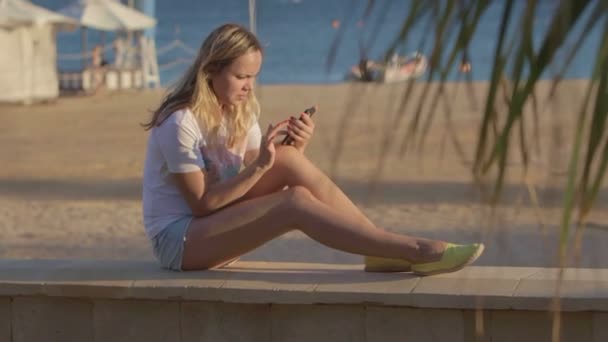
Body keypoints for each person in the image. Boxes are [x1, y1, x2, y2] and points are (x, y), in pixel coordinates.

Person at [141, 23, 484, 275]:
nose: (249, 86)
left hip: (217, 227)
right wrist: (262, 166)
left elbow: (249, 188)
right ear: (210, 71)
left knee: (288, 159)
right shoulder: (179, 121)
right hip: (181, 242)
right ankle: (411, 249)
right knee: (294, 203)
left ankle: (379, 247)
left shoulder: (241, 111)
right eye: (242, 76)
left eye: (255, 76)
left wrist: (294, 149)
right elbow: (203, 205)